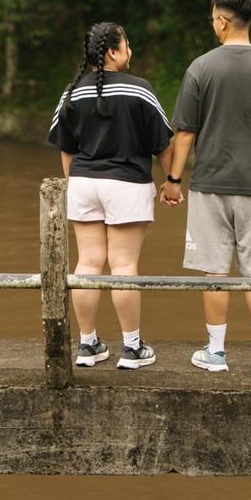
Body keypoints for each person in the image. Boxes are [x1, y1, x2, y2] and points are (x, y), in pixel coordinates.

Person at [160, 0, 251, 373]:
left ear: (222, 21)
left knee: (215, 271)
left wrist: (173, 180)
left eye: (213, 20)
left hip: (210, 185)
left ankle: (216, 352)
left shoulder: (200, 68)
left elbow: (185, 132)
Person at [48, 21, 174, 370]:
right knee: (123, 266)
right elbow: (163, 144)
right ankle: (132, 348)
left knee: (88, 264)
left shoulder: (71, 93)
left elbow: (66, 147)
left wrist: (74, 184)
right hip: (127, 185)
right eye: (127, 44)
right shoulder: (140, 90)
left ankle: (88, 344)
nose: (130, 50)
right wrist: (173, 181)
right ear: (114, 53)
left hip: (84, 184)